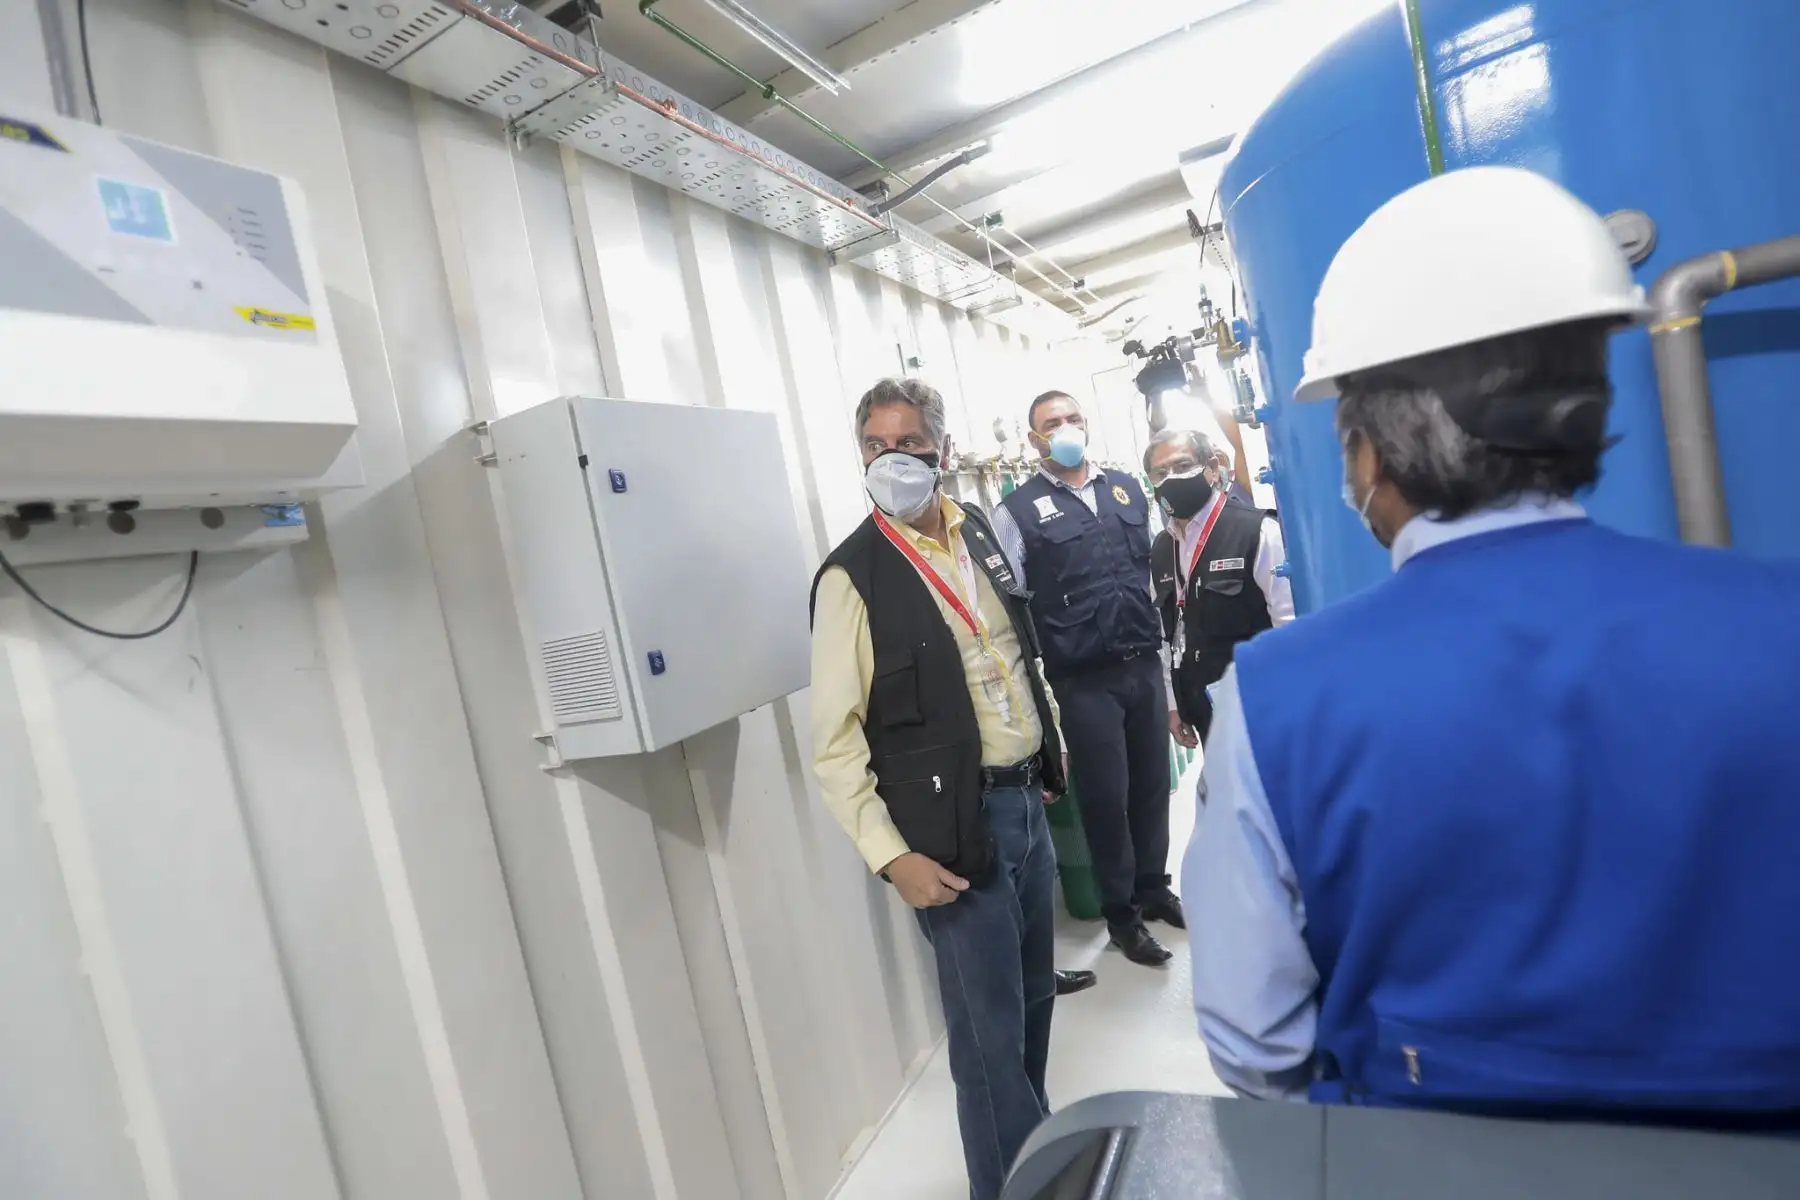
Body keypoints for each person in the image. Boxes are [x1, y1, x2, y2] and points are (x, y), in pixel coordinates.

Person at [1186, 166, 1800, 1123]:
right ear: (1586, 411)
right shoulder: (1778, 620)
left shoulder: (1276, 697)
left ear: (1370, 454)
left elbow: (1254, 1044)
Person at [810, 377, 1069, 1200]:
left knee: (1031, 1009)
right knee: (987, 1046)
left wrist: (1046, 759)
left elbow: (1016, 657)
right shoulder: (852, 578)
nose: (893, 460)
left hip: (1024, 805)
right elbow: (833, 744)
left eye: (909, 444)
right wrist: (893, 859)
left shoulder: (978, 534)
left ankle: (1034, 1172)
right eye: (876, 447)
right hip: (951, 837)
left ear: (942, 452)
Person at [990, 391, 1180, 967]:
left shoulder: (1124, 487)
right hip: (1083, 677)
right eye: (1052, 424)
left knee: (1152, 785)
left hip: (1141, 661)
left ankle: (1153, 887)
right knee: (1106, 798)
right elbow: (1014, 606)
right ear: (1034, 441)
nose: (1066, 428)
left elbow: (1146, 574)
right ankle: (1121, 915)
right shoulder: (1017, 511)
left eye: (1073, 419)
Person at [1147, 427, 1293, 750]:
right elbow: (1166, 635)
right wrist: (1174, 704)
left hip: (1262, 712)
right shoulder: (1161, 549)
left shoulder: (1256, 532)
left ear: (1212, 468)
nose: (1172, 478)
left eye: (1183, 466)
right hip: (1205, 714)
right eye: (1161, 472)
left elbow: (1290, 628)